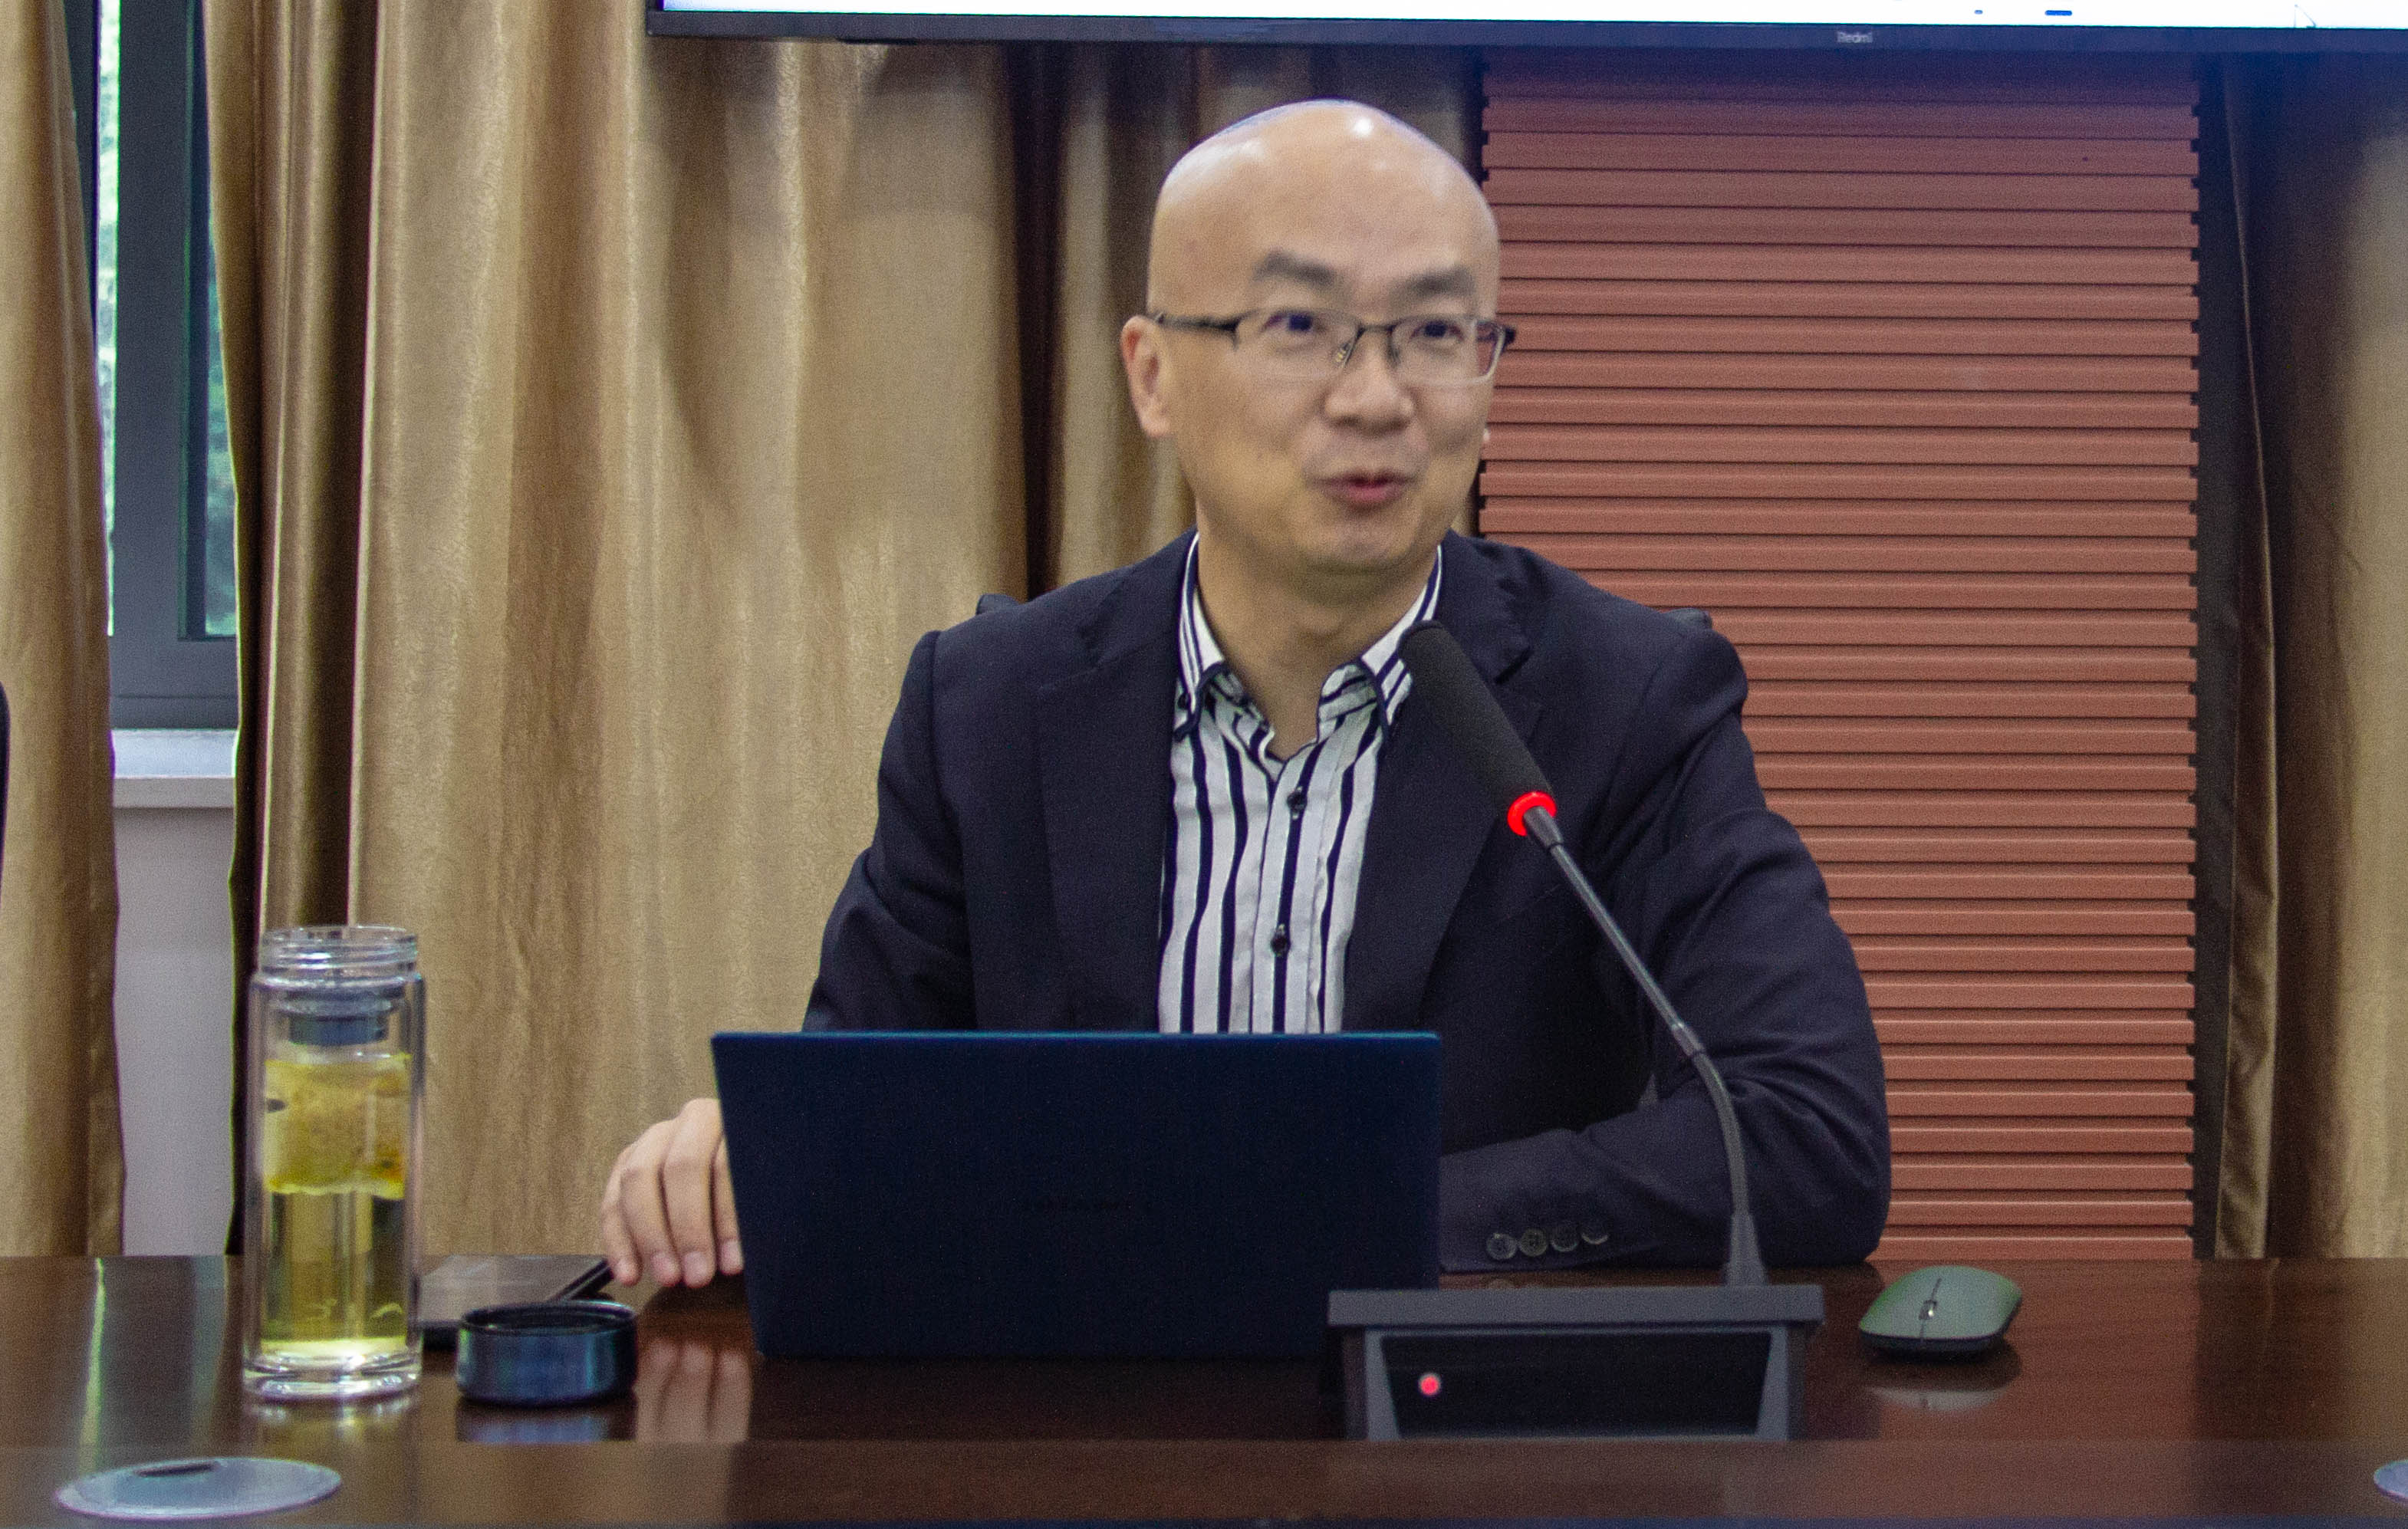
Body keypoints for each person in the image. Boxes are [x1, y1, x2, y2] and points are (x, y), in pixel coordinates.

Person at [600, 100, 1888, 1292]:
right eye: (1298, 327)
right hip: (1074, 1410)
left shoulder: (1627, 697)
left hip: (1459, 1422)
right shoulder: (988, 707)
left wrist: (1352, 1219)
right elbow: (860, 1122)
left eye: (1438, 333)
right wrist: (737, 1156)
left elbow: (1806, 1135)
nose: (1375, 398)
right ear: (1153, 374)